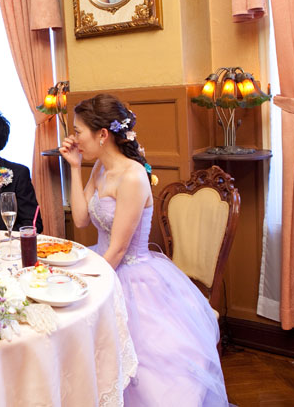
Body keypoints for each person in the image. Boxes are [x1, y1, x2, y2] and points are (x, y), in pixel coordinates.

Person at [60, 94, 228, 406]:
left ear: (102, 134)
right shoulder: (99, 168)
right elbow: (81, 219)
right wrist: (74, 167)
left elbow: (119, 249)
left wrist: (85, 286)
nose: (74, 138)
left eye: (78, 130)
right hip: (104, 263)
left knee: (143, 366)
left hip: (130, 275)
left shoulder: (133, 176)